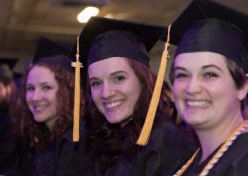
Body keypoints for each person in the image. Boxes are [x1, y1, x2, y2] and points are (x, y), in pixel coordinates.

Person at [73, 16, 195, 176]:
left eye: (119, 78)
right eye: (96, 83)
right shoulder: (107, 137)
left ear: (143, 81)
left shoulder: (164, 141)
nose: (106, 93)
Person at [160, 0, 248, 175]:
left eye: (209, 74)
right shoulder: (188, 163)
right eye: (182, 75)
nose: (192, 88)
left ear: (243, 87)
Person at [12, 37, 88, 176]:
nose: (35, 97)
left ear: (68, 91)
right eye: (30, 88)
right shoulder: (47, 137)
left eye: (46, 87)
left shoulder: (77, 143)